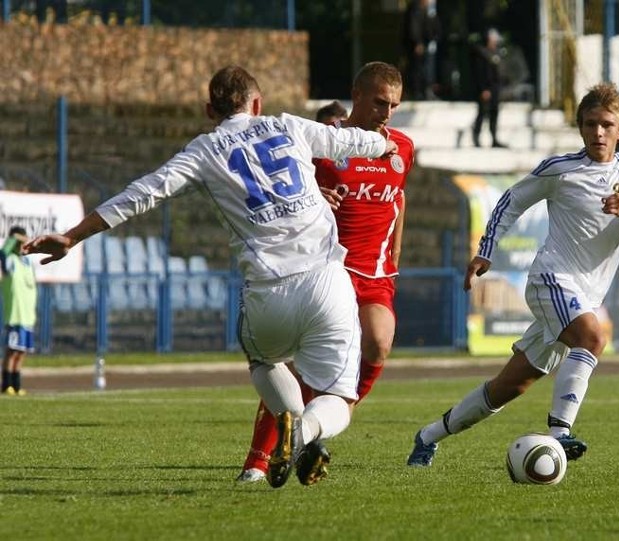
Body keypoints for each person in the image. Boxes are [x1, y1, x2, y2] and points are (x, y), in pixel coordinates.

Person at [22, 65, 398, 488]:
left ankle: (289, 422)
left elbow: (142, 194)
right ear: (257, 104)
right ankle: (307, 432)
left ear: (209, 110)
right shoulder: (287, 125)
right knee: (339, 399)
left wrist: (72, 236)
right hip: (327, 281)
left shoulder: (204, 151)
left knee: (264, 360)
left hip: (267, 292)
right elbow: (350, 140)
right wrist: (382, 143)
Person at [406, 82, 619, 467]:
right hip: (551, 279)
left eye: (607, 125)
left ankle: (428, 436)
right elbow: (509, 202)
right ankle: (559, 435)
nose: (599, 132)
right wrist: (486, 252)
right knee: (593, 335)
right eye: (591, 124)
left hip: (585, 295)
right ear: (580, 127)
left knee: (509, 386)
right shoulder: (560, 169)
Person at [237, 62, 415, 483]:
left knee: (379, 343)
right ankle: (257, 464)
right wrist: (316, 191)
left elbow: (398, 201)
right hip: (323, 267)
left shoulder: (402, 147)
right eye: (379, 102)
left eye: (393, 105)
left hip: (374, 274)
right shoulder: (324, 142)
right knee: (296, 372)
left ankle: (313, 428)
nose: (386, 112)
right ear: (356, 94)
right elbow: (282, 188)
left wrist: (395, 258)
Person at [1, 227, 37, 396]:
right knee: (11, 351)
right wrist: (12, 239)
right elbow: (2, 253)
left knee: (21, 352)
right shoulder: (10, 261)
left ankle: (16, 385)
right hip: (14, 315)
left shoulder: (27, 263)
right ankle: (6, 384)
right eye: (20, 242)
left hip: (27, 317)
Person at [471, 28, 506, 148]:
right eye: (493, 40)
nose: (495, 42)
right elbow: (479, 74)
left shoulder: (495, 54)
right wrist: (483, 89)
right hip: (485, 89)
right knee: (482, 113)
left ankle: (494, 139)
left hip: (494, 88)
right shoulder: (482, 54)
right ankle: (476, 138)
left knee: (494, 114)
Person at [401, 0, 441, 100]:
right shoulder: (415, 9)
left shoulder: (428, 10)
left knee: (425, 69)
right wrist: (417, 42)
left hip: (425, 44)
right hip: (416, 46)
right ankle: (416, 92)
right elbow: (413, 27)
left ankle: (424, 91)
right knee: (416, 69)